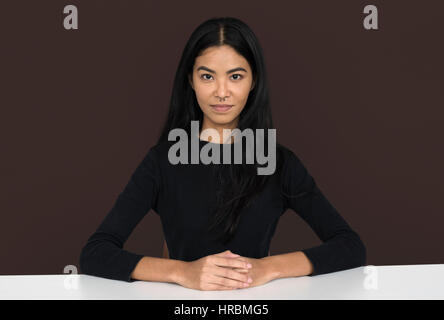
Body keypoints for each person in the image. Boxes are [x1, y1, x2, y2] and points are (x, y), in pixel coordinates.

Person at [79, 17, 366, 291]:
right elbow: (95, 253)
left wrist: (267, 268)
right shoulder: (163, 161)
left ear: (253, 81)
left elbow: (350, 247)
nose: (221, 92)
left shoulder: (278, 163)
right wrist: (183, 272)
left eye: (235, 76)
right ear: (191, 80)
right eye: (207, 76)